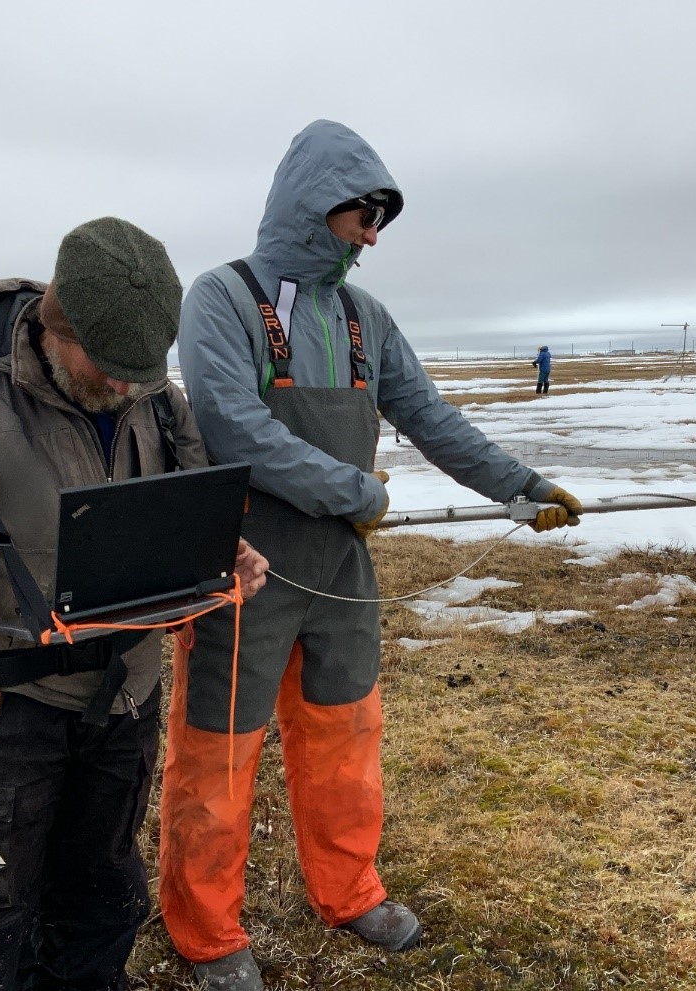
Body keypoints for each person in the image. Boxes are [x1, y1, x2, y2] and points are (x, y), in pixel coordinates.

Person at [164, 120, 582, 990]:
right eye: (363, 214)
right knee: (218, 752)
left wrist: (521, 486)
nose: (373, 235)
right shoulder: (222, 299)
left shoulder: (366, 319)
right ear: (316, 206)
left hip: (343, 573)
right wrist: (357, 492)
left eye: (380, 217)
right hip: (240, 565)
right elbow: (233, 429)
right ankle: (207, 930)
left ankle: (350, 890)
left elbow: (430, 417)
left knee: (346, 741)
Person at [0, 217, 268, 991]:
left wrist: (224, 559)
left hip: (125, 708)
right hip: (6, 712)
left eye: (144, 369)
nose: (126, 387)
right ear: (53, 324)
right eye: (108, 366)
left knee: (102, 902)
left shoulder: (162, 406)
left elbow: (189, 527)